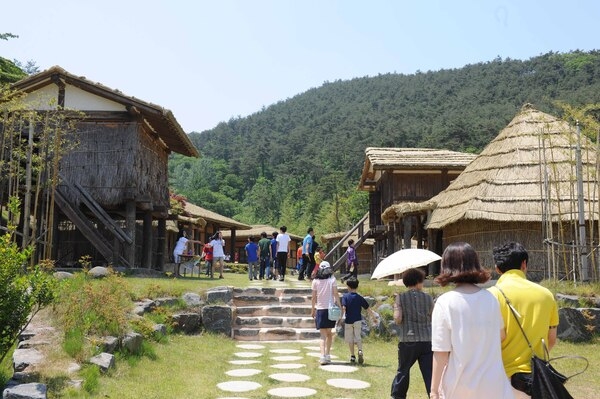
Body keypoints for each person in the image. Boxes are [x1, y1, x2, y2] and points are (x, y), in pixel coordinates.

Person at [430, 242, 513, 399]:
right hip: (495, 386)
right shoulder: (491, 299)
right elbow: (501, 335)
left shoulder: (445, 302)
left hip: (460, 387)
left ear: (446, 266)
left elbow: (441, 352)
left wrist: (433, 390)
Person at [489, 242, 559, 399]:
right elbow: (551, 339)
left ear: (497, 268)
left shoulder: (491, 296)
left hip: (502, 377)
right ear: (524, 264)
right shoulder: (546, 295)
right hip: (538, 378)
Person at [390, 267, 433, 399]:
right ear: (418, 281)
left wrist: (396, 306)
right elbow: (433, 317)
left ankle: (398, 396)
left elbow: (397, 319)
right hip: (427, 340)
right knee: (429, 373)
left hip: (408, 340)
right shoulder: (428, 298)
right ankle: (434, 395)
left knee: (403, 370)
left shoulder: (401, 298)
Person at [311, 260, 341, 365]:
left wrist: (312, 310)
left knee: (322, 335)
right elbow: (336, 294)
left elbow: (313, 297)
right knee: (329, 334)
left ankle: (322, 356)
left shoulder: (315, 281)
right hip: (331, 310)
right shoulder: (332, 280)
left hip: (320, 309)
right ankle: (328, 355)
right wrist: (340, 307)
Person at [341, 276, 370, 365]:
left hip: (349, 320)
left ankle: (353, 356)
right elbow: (368, 308)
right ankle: (360, 350)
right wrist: (374, 318)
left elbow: (344, 307)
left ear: (348, 287)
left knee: (350, 339)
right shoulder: (359, 297)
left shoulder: (345, 296)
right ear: (357, 287)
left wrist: (342, 316)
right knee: (358, 336)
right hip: (357, 320)